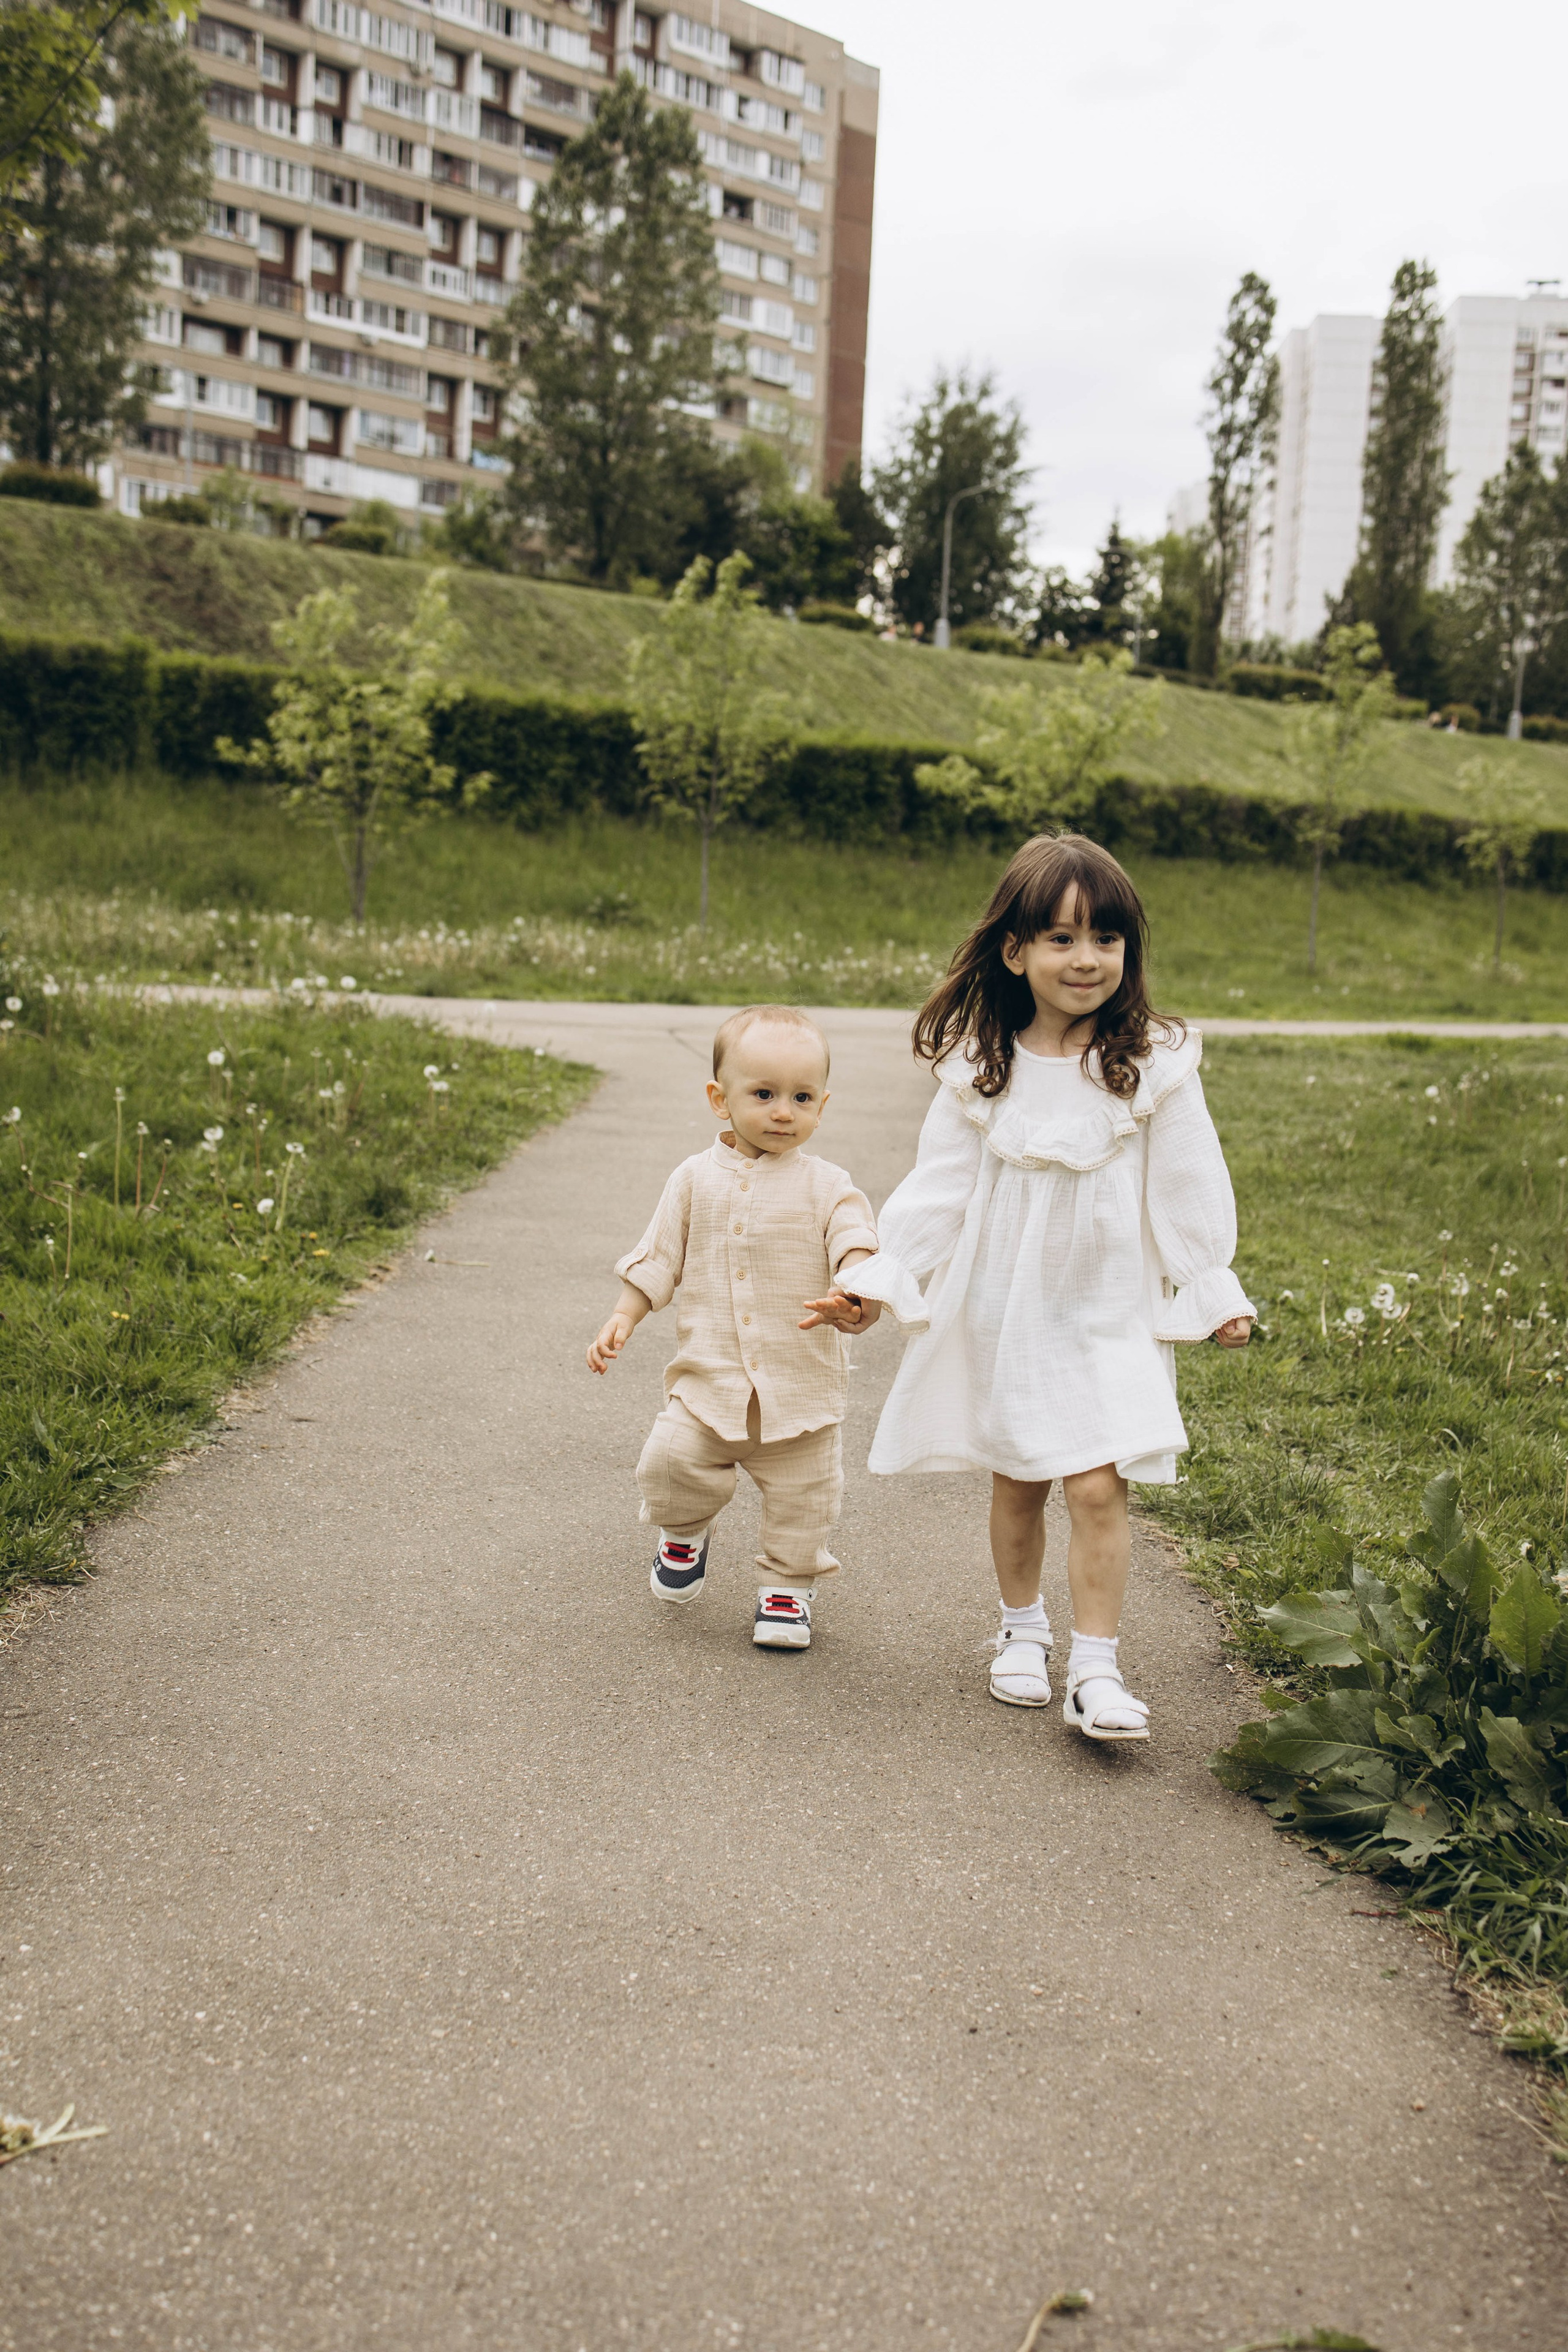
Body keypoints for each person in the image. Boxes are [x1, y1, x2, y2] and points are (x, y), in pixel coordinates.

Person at [832, 834, 1254, 1741]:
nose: (1087, 958)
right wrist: (880, 1280)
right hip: (1009, 1308)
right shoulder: (983, 1071)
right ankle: (1021, 1632)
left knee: (1099, 1486)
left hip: (1108, 1311)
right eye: (1061, 939)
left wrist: (1210, 1281)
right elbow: (939, 1190)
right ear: (1015, 951)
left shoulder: (1153, 1066)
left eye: (1107, 937)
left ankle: (1096, 1668)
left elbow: (1189, 1181)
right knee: (1021, 1479)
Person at [587, 1005, 880, 1652]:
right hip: (708, 1384)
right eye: (764, 1095)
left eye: (802, 1097)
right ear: (720, 1099)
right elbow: (659, 1256)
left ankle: (786, 1586)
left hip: (799, 1393)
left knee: (805, 1500)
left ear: (822, 1106)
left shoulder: (829, 1185)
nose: (784, 1111)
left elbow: (857, 1242)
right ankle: (685, 1531)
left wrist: (853, 1290)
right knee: (669, 1465)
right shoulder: (693, 1180)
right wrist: (623, 1315)